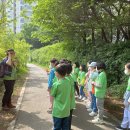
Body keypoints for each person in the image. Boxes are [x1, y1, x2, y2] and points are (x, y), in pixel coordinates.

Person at [51, 64, 71, 130]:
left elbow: (52, 96)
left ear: (57, 73)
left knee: (57, 127)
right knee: (65, 128)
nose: (54, 72)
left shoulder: (56, 84)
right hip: (66, 110)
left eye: (55, 71)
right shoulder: (68, 82)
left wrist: (51, 105)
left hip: (58, 111)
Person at [116, 63, 130, 130]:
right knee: (126, 110)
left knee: (129, 112)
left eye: (126, 69)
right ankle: (123, 126)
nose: (125, 70)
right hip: (128, 94)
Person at [66, 63, 76, 130]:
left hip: (67, 103)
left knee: (66, 119)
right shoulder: (71, 78)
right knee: (69, 118)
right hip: (71, 103)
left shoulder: (66, 80)